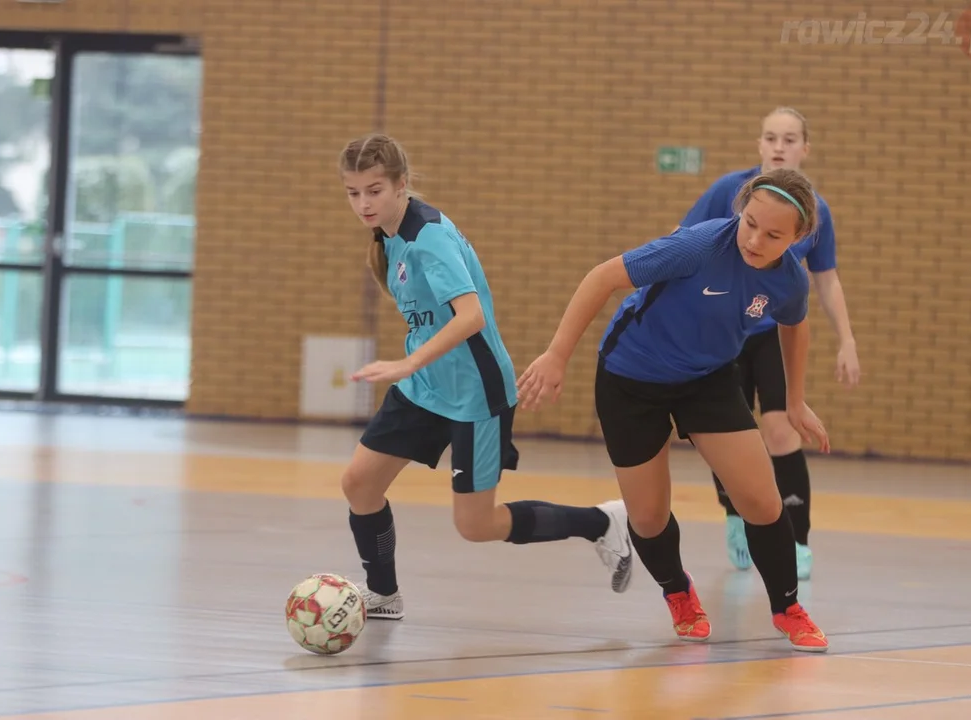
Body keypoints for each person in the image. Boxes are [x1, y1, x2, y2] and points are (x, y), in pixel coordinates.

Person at [517, 167, 832, 652]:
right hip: (631, 379)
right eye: (749, 223)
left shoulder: (790, 278)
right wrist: (557, 354)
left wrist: (793, 400)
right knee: (647, 516)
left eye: (773, 235)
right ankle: (679, 592)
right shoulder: (698, 246)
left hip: (707, 380)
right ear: (739, 211)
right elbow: (603, 277)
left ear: (798, 237)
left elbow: (796, 324)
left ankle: (787, 607)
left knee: (762, 501)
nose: (755, 239)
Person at [337, 133, 633, 621]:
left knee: (476, 525)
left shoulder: (427, 237)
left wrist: (407, 363)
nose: (364, 203)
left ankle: (602, 522)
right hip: (425, 387)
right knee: (359, 484)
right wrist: (415, 369)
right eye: (353, 193)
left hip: (475, 393)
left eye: (374, 190)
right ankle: (383, 595)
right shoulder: (388, 238)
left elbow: (471, 316)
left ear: (401, 185)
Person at [678, 107, 860, 579]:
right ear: (759, 145)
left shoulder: (816, 213)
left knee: (780, 431)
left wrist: (847, 339)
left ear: (805, 148)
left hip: (773, 337)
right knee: (727, 437)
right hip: (722, 336)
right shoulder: (728, 193)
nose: (780, 146)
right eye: (771, 137)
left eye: (790, 138)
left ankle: (796, 539)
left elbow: (827, 279)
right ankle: (736, 514)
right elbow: (681, 243)